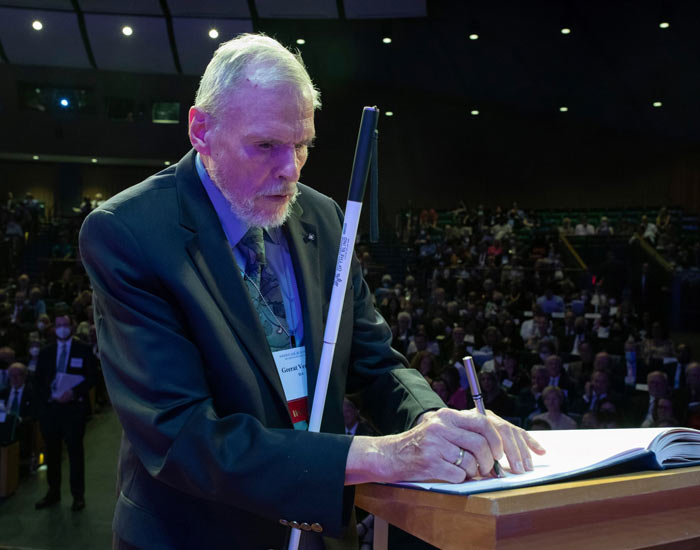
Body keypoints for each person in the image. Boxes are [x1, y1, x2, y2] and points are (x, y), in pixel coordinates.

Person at [79, 34, 544, 550]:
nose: (291, 170)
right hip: (194, 535)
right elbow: (182, 437)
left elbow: (375, 361)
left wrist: (435, 422)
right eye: (266, 146)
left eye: (302, 145)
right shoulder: (130, 232)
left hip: (313, 532)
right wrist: (383, 455)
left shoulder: (321, 216)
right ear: (201, 130)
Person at [34, 314, 97, 512]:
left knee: (75, 453)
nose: (62, 328)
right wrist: (50, 395)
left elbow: (93, 376)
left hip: (73, 410)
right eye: (58, 325)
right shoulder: (46, 352)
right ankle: (53, 492)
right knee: (52, 454)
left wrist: (74, 392)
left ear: (72, 326)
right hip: (51, 410)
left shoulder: (83, 350)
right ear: (54, 328)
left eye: (65, 325)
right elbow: (37, 381)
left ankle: (78, 495)